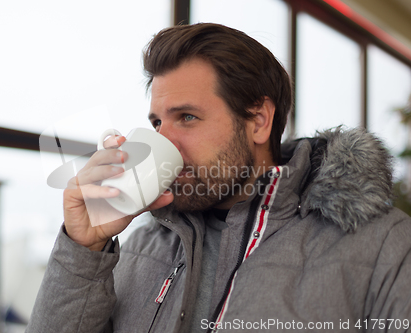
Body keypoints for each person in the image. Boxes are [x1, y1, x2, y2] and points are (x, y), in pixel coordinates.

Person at [26, 23, 411, 333]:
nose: (164, 140)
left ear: (259, 121)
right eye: (157, 122)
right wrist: (84, 249)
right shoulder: (142, 245)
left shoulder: (383, 247)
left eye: (187, 117)